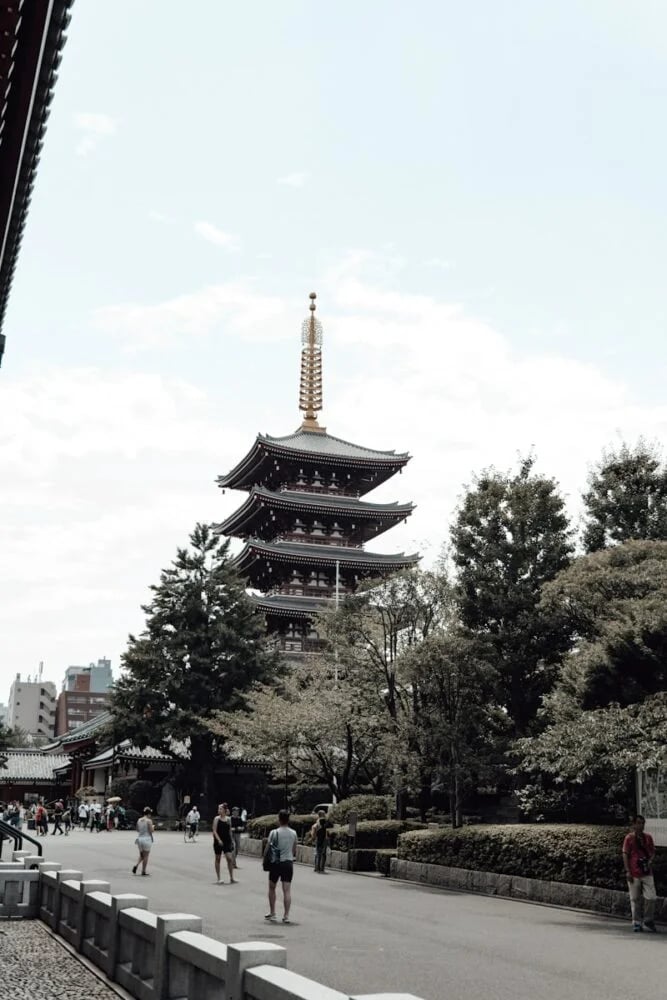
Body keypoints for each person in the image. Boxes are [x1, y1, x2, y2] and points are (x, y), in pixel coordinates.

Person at [623, 814, 657, 932]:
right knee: (636, 899)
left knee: (651, 897)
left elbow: (652, 852)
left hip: (647, 872)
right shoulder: (629, 838)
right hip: (634, 872)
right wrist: (627, 871)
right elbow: (625, 854)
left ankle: (648, 919)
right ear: (633, 824)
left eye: (642, 823)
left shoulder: (648, 837)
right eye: (638, 823)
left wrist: (650, 861)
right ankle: (637, 922)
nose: (641, 825)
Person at [265, 809, 297, 924]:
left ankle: (273, 913)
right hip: (288, 863)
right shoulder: (293, 833)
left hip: (276, 863)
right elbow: (294, 850)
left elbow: (268, 848)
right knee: (287, 890)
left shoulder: (274, 832)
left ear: (279, 819)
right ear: (288, 819)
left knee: (272, 887)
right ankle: (286, 915)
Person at [212, 803, 236, 884]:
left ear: (225, 810)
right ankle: (219, 878)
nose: (219, 810)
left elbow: (229, 831)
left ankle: (232, 878)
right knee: (218, 859)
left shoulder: (228, 819)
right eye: (219, 809)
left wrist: (232, 840)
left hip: (227, 841)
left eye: (221, 809)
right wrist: (218, 840)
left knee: (229, 858)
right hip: (218, 841)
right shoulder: (216, 819)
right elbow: (214, 831)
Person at [132, 807, 154, 876]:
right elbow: (151, 831)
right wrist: (153, 827)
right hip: (146, 839)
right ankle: (143, 871)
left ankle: (136, 865)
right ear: (148, 814)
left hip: (139, 839)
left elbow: (137, 830)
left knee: (142, 855)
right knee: (146, 855)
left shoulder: (139, 820)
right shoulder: (149, 821)